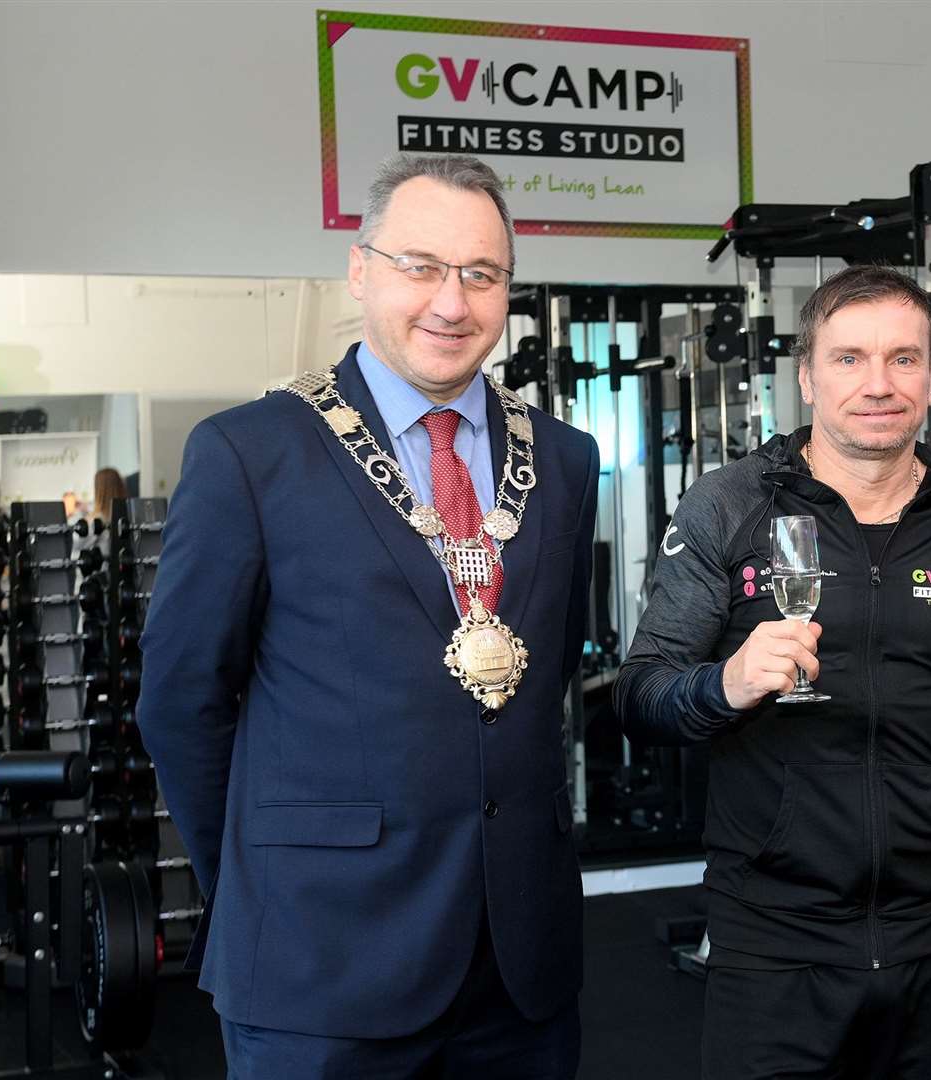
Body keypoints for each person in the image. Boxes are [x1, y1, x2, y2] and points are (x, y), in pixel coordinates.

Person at [138, 154, 599, 1079]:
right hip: (321, 957)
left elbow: (545, 676)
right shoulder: (250, 453)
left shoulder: (566, 458)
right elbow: (182, 700)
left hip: (520, 961)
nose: (450, 302)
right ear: (360, 270)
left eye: (481, 274)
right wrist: (266, 882)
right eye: (419, 266)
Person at [615, 264, 931, 1079]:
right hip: (771, 941)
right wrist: (724, 684)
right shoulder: (729, 506)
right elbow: (641, 694)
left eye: (903, 358)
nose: (877, 384)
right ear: (807, 376)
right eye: (849, 358)